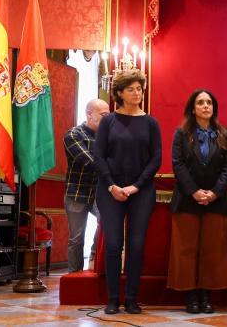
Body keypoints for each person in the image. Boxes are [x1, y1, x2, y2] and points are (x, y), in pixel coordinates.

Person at [94, 69, 162, 315]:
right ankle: (113, 298)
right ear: (119, 93)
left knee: (136, 244)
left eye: (140, 89)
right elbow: (98, 156)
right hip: (110, 189)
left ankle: (131, 298)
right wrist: (112, 185)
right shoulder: (108, 121)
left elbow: (156, 159)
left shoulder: (151, 122)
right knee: (113, 244)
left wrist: (136, 186)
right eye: (132, 89)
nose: (137, 93)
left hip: (140, 191)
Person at [168, 89, 227, 314]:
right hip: (187, 200)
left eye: (209, 103)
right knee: (186, 249)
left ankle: (206, 295)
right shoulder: (181, 133)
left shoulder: (223, 134)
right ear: (192, 108)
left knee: (212, 250)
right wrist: (194, 191)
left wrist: (214, 192)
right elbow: (178, 164)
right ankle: (191, 296)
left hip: (215, 201)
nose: (206, 106)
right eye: (200, 102)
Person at [63, 98, 109, 273]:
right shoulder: (73, 135)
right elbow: (89, 161)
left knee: (107, 224)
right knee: (76, 238)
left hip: (100, 192)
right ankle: (74, 276)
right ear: (90, 114)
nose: (107, 119)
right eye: (103, 115)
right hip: (76, 193)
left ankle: (93, 256)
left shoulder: (108, 138)